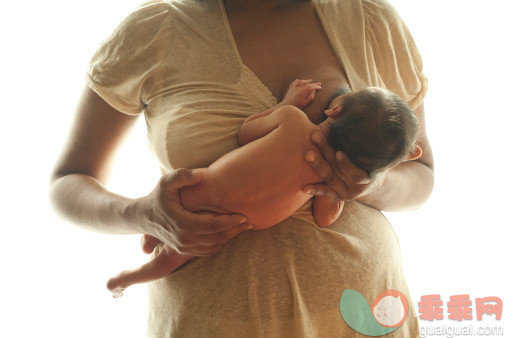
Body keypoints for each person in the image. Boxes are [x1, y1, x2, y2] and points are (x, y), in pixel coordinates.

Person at [48, 0, 433, 336]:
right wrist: (143, 214)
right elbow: (67, 181)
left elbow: (422, 176)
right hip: (214, 325)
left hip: (366, 315)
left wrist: (363, 184)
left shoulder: (370, 18)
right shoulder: (152, 31)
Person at [106, 84, 423, 298]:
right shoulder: (326, 184)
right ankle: (127, 279)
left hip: (200, 184)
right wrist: (338, 194)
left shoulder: (292, 120)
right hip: (224, 222)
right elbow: (325, 219)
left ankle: (150, 235)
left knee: (170, 221)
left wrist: (286, 104)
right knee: (172, 258)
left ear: (335, 109)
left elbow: (247, 133)